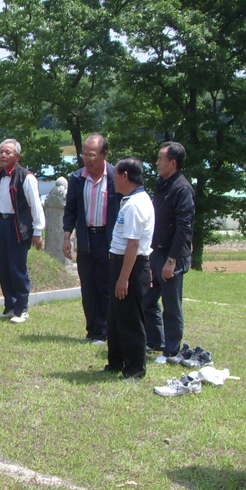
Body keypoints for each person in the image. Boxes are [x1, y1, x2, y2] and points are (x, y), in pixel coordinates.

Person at [63, 134, 119, 344]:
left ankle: (103, 332)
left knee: (105, 285)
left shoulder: (115, 176)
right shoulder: (78, 178)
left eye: (92, 155)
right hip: (86, 238)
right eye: (84, 155)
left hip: (107, 238)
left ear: (104, 154)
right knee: (88, 286)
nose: (87, 159)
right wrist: (67, 236)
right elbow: (71, 209)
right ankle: (91, 330)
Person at [144, 141, 195, 358]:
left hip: (172, 256)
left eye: (160, 159)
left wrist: (172, 260)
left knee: (171, 305)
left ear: (172, 163)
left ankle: (172, 351)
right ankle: (156, 341)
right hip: (156, 252)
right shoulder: (162, 184)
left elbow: (184, 227)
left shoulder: (182, 189)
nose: (157, 162)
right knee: (147, 300)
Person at [105, 157, 154, 380]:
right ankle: (116, 361)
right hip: (121, 262)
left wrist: (124, 278)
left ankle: (135, 368)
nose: (113, 179)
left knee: (130, 318)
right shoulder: (129, 200)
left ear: (125, 176)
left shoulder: (136, 204)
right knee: (116, 316)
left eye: (115, 174)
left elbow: (133, 244)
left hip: (130, 266)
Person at [0, 139, 45, 323]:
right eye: (1, 152)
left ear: (17, 156)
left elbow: (35, 205)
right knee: (4, 268)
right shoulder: (0, 176)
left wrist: (38, 231)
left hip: (18, 225)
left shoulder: (26, 177)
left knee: (17, 268)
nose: (3, 155)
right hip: (3, 224)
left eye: (8, 152)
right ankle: (10, 306)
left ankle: (22, 309)